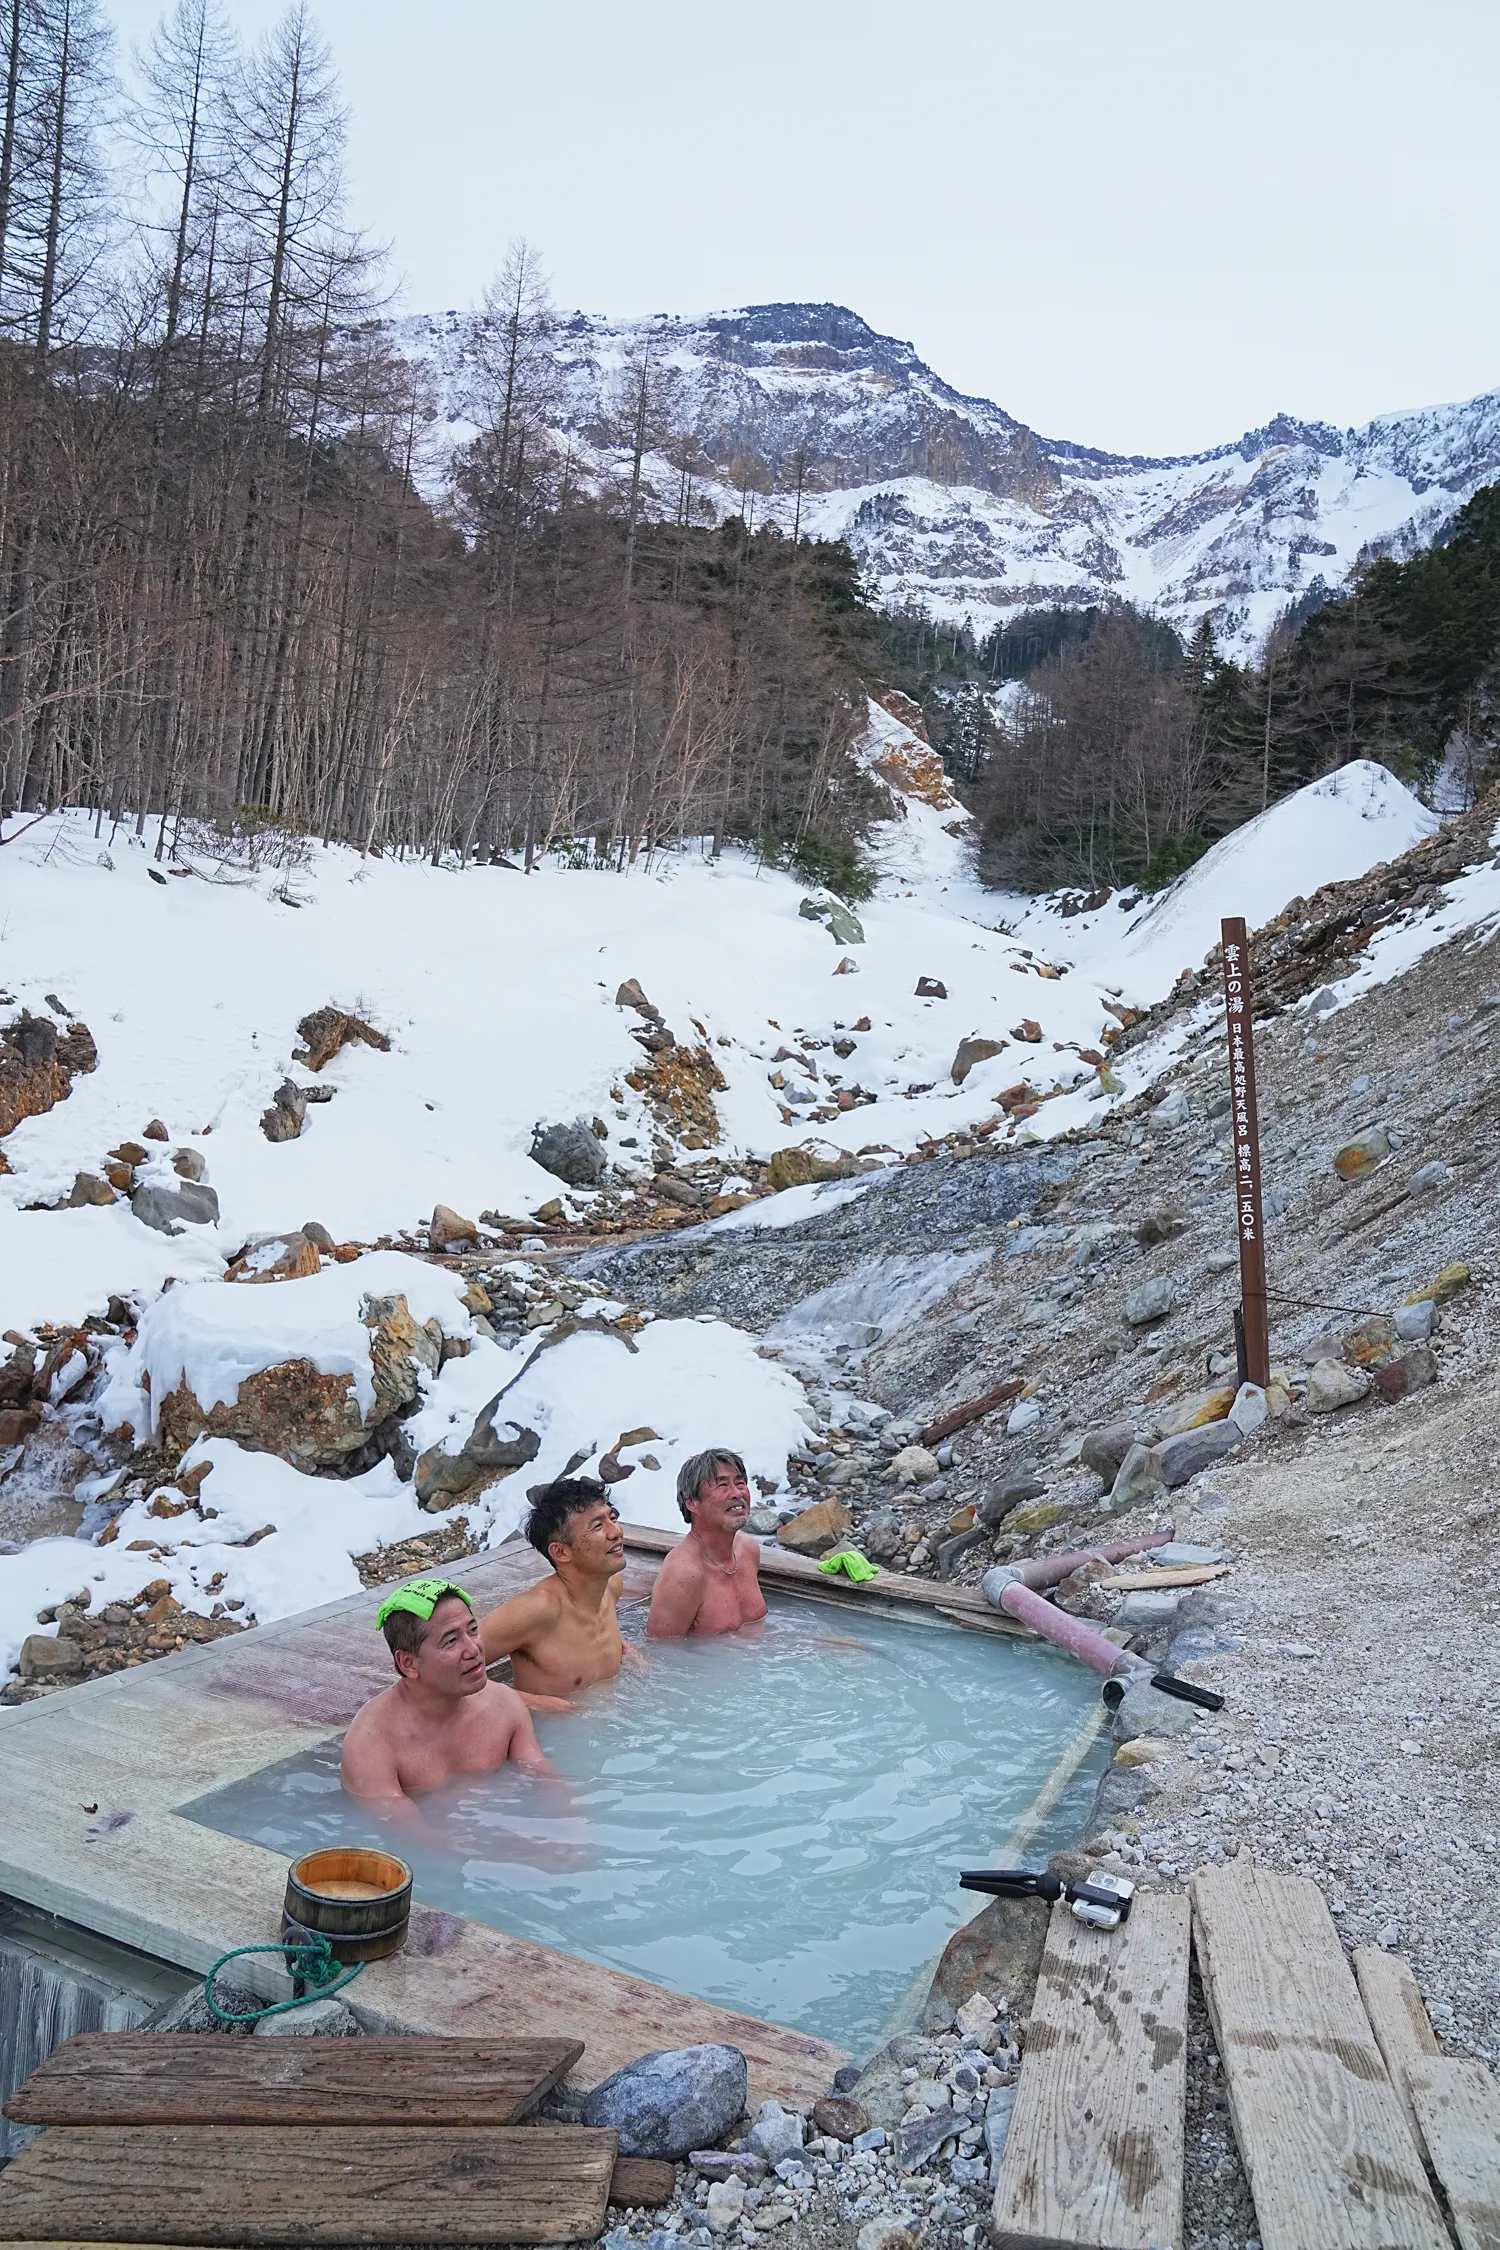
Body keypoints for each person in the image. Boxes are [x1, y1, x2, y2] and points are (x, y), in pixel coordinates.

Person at [341, 1578, 555, 1818]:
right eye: (451, 1641)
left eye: (473, 1630)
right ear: (408, 1663)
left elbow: (546, 1783)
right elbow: (409, 1836)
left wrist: (571, 1835)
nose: (473, 1650)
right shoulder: (372, 1744)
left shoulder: (504, 1705)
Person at [479, 1477, 642, 1703]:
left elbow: (586, 1642)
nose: (616, 1532)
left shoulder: (611, 1586)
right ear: (561, 1553)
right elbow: (444, 1674)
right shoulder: (534, 1611)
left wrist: (626, 1651)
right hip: (544, 1733)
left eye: (612, 1518)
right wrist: (540, 1705)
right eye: (598, 1526)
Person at [646, 1447, 768, 1639]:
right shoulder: (683, 1573)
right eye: (722, 1486)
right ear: (692, 1503)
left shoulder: (748, 1550)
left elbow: (756, 1635)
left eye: (740, 1483)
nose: (737, 1493)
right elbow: (662, 1655)